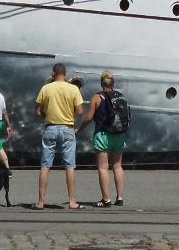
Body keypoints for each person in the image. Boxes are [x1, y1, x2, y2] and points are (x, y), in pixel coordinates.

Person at [35, 63, 85, 211]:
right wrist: (68, 114)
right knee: (69, 166)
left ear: (53, 73)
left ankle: (40, 201)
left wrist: (48, 115)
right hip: (67, 129)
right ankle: (72, 201)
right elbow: (80, 111)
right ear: (65, 74)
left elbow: (38, 112)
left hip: (50, 128)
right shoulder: (73, 88)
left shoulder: (46, 88)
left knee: (45, 165)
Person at [78, 70, 128, 207]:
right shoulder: (120, 96)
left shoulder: (97, 97)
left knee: (103, 168)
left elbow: (88, 117)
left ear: (101, 83)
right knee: (117, 166)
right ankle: (120, 198)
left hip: (102, 135)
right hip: (119, 134)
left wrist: (80, 129)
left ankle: (106, 199)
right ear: (113, 82)